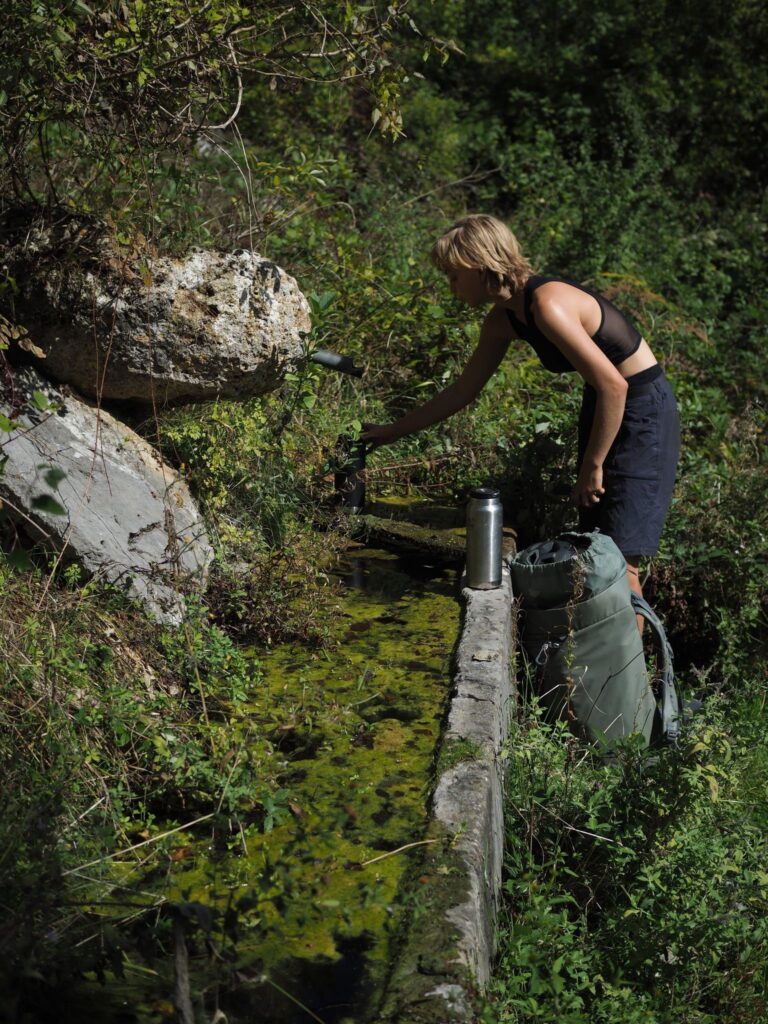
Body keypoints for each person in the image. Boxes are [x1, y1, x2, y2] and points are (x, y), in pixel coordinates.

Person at [362, 214, 680, 613]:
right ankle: (604, 664)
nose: (451, 287)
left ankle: (630, 674)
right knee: (601, 551)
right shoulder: (503, 320)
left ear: (479, 266)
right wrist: (393, 430)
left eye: (453, 275)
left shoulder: (548, 304)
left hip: (640, 409)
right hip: (605, 405)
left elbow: (616, 385)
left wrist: (592, 465)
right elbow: (462, 391)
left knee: (622, 562)